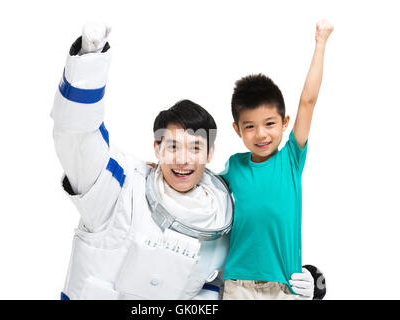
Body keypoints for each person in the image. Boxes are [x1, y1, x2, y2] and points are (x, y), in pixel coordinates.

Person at [51, 22, 317, 300]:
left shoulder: (219, 216)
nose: (183, 160)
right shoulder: (120, 188)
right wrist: (88, 63)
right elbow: (77, 139)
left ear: (210, 154)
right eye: (173, 146)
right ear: (157, 148)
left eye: (195, 148)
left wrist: (308, 278)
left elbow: (235, 279)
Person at [220, 20, 333, 300]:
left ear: (284, 123)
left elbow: (308, 100)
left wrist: (320, 44)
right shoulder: (235, 165)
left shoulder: (291, 160)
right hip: (239, 285)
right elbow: (202, 189)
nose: (261, 134)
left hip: (286, 285)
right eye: (249, 126)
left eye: (269, 123)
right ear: (237, 130)